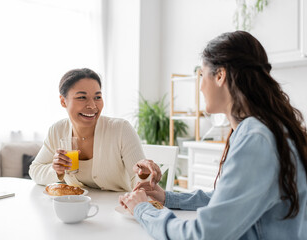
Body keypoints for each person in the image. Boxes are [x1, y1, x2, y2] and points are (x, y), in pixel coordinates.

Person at [119, 31, 307, 239]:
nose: (200, 87)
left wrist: (143, 209)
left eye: (201, 75)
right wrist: (167, 197)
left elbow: (203, 235)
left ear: (220, 75)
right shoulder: (263, 129)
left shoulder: (256, 138)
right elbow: (226, 200)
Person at [29, 68, 161, 191]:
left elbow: (142, 183)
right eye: (82, 97)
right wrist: (57, 171)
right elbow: (35, 170)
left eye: (97, 97)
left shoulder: (120, 130)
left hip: (116, 207)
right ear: (63, 101)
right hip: (78, 208)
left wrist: (143, 175)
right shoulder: (57, 130)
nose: (92, 106)